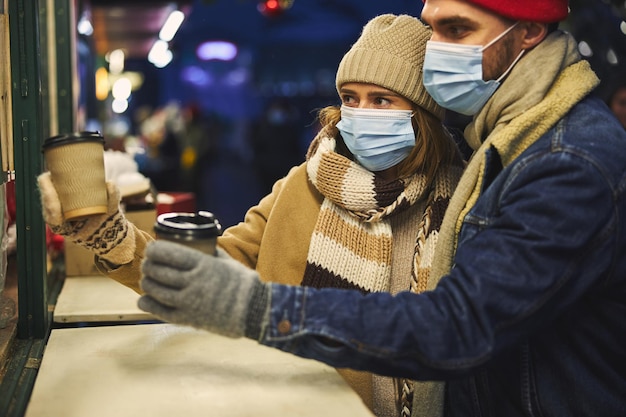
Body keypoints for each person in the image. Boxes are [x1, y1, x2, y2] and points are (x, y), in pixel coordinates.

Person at [134, 0, 626, 416]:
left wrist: (256, 307)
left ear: (530, 33)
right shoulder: (508, 144)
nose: (437, 50)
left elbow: (458, 325)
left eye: (457, 29)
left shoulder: (563, 160)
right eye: (432, 28)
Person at [37, 15, 465, 417]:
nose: (360, 113)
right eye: (350, 98)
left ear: (422, 114)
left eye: (382, 99)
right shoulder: (305, 185)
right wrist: (108, 234)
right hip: (297, 404)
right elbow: (208, 268)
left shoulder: (463, 202)